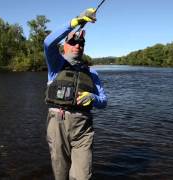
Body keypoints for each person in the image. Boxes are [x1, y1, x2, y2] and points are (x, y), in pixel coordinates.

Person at [43, 8, 107, 180]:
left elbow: (104, 101)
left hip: (83, 128)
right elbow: (48, 42)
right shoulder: (56, 64)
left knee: (82, 176)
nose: (78, 46)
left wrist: (93, 98)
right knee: (60, 173)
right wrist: (75, 22)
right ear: (64, 45)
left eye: (81, 43)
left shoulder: (92, 73)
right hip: (58, 124)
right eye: (73, 42)